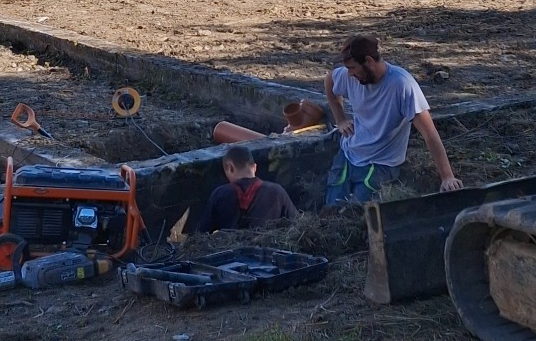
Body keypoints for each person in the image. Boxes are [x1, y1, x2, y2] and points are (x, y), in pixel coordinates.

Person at [323, 33, 461, 206]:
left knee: (357, 213)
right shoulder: (349, 76)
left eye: (352, 68)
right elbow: (330, 80)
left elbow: (429, 133)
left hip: (381, 164)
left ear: (369, 62)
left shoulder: (402, 85)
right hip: (349, 154)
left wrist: (447, 177)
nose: (349, 74)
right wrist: (340, 119)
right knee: (332, 208)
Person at [196, 145, 300, 232]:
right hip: (266, 252)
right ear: (254, 167)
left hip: (231, 253)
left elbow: (202, 233)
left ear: (229, 168)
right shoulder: (277, 192)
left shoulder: (220, 194)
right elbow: (297, 224)